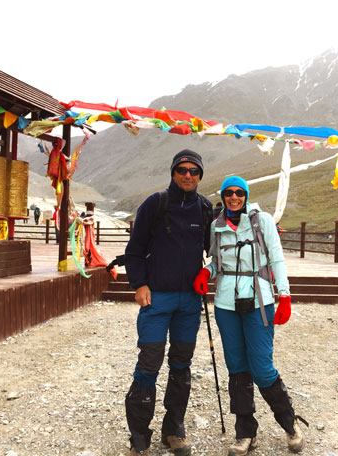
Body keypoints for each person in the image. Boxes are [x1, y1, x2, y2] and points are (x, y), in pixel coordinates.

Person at [193, 176, 306, 456]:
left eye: (239, 193)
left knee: (262, 367)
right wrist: (208, 271)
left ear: (246, 195)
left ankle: (290, 425)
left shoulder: (262, 221)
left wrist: (285, 295)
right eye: (229, 193)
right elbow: (218, 260)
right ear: (223, 195)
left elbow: (277, 259)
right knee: (237, 368)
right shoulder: (217, 225)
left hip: (260, 300)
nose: (234, 197)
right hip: (226, 304)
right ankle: (245, 433)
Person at [124, 150, 212, 456]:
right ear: (173, 172)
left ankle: (174, 430)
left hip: (190, 300)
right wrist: (139, 284)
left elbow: (213, 251)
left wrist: (207, 271)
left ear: (200, 175)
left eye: (194, 171)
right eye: (182, 170)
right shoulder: (156, 203)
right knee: (149, 364)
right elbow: (134, 250)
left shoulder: (204, 208)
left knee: (181, 365)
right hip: (156, 298)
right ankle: (139, 437)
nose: (188, 175)